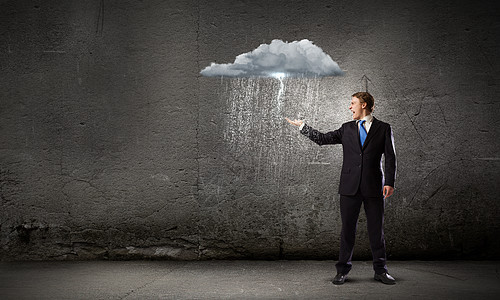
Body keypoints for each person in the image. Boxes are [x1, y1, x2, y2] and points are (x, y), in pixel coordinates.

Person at [285, 92, 397, 285]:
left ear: (364, 105)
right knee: (347, 231)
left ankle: (381, 270)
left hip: (374, 187)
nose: (349, 107)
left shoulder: (384, 128)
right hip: (349, 188)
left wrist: (389, 182)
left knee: (376, 231)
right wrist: (303, 127)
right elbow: (322, 139)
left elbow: (391, 156)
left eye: (352, 103)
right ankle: (342, 270)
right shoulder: (346, 129)